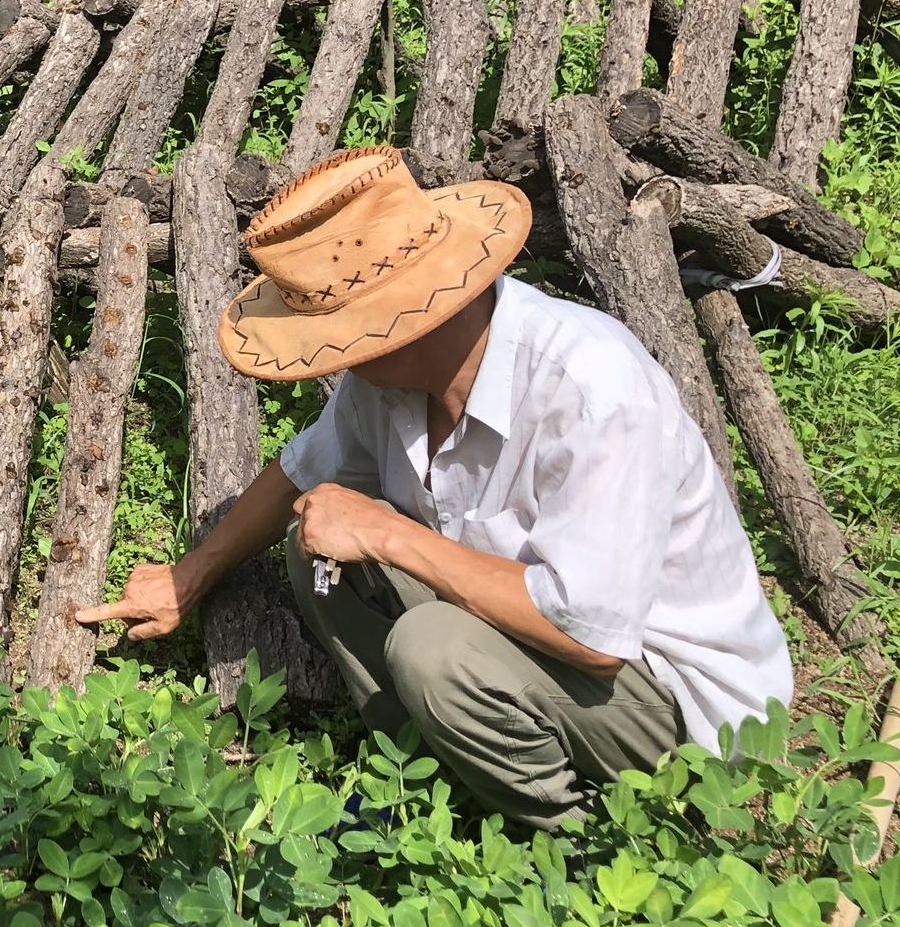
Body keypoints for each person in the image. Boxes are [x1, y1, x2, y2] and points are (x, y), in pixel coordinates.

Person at [75, 145, 793, 829]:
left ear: (403, 322)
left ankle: (578, 833)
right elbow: (303, 468)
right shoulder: (390, 381)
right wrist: (188, 576)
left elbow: (591, 631)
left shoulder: (593, 388)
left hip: (676, 704)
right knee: (314, 549)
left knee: (432, 648)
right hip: (540, 645)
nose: (334, 359)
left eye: (344, 337)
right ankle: (423, 768)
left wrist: (389, 533)